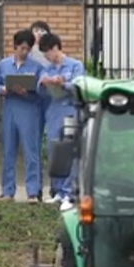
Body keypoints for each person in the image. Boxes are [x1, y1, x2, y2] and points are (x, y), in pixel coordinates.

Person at [0, 29, 45, 202]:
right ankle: (8, 191)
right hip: (9, 108)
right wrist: (4, 89)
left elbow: (41, 92)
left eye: (27, 49)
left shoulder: (37, 67)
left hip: (28, 109)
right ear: (15, 46)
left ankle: (33, 191)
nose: (24, 52)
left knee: (31, 151)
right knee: (9, 151)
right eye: (21, 48)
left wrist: (26, 92)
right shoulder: (3, 64)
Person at [38, 32, 85, 203]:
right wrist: (45, 83)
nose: (47, 57)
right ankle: (57, 190)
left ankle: (69, 191)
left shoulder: (75, 65)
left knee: (69, 151)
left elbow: (80, 86)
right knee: (54, 151)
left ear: (56, 48)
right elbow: (40, 89)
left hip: (71, 111)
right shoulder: (47, 69)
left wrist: (63, 83)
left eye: (48, 52)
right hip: (54, 113)